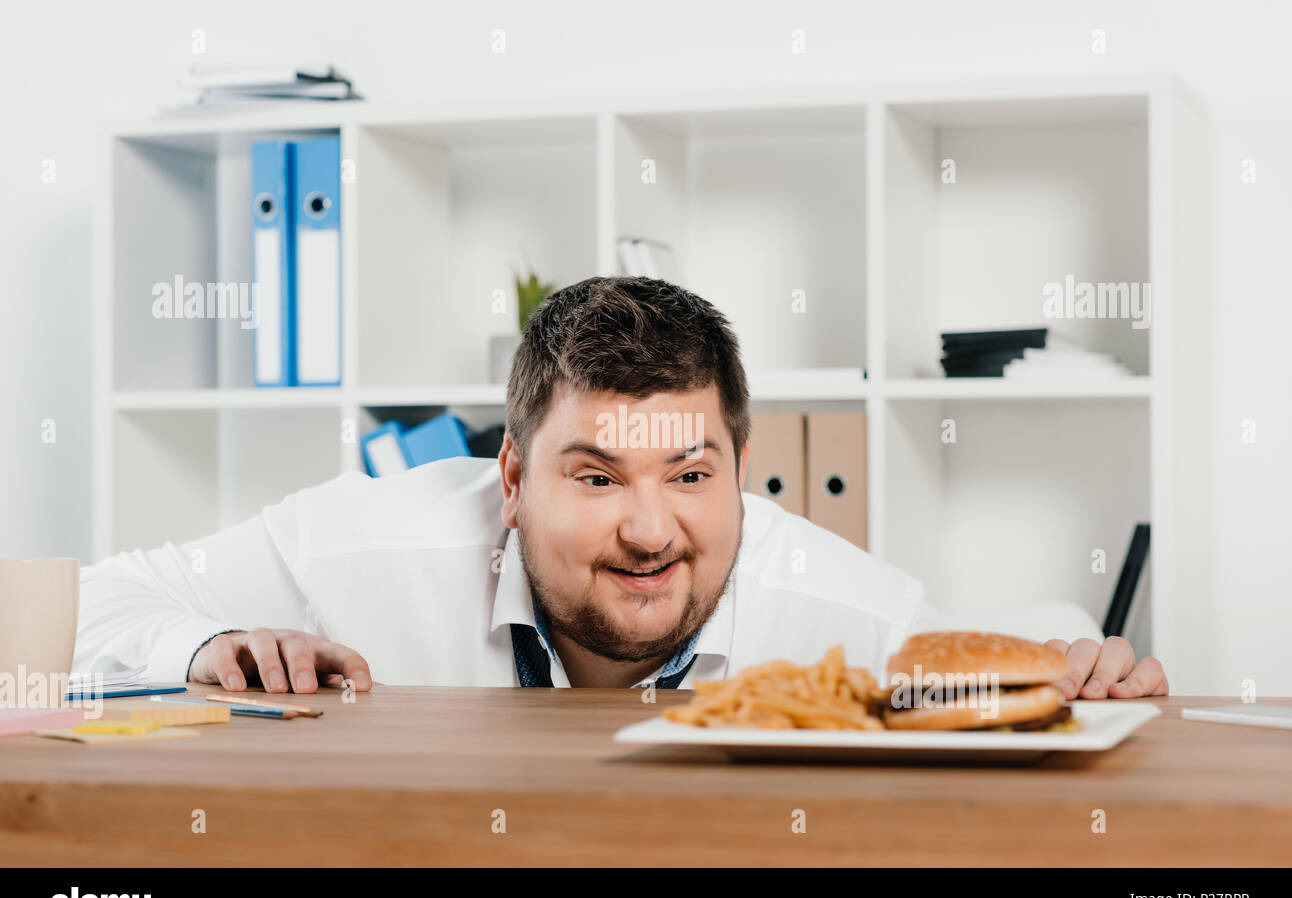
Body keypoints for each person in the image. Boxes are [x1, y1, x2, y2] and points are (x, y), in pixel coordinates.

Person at [73, 277, 1168, 699]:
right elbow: (70, 612)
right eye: (596, 475)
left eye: (692, 474)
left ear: (741, 470)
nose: (652, 531)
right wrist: (200, 648)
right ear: (511, 478)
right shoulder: (354, 544)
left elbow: (1006, 702)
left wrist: (1089, 682)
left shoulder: (856, 619)